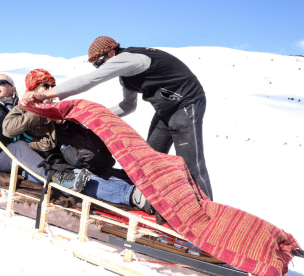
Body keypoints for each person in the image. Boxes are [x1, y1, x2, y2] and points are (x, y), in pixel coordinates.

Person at [20, 36, 213, 200]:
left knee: (191, 161)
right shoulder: (126, 75)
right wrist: (90, 117)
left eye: (99, 62)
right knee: (151, 158)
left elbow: (89, 80)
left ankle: (208, 212)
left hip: (187, 102)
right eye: (95, 65)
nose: (99, 68)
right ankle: (159, 204)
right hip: (165, 109)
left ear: (112, 53)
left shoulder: (128, 59)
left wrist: (45, 95)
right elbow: (128, 106)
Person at [4, 69, 155, 214]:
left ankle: (150, 188)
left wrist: (66, 121)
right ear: (33, 88)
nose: (49, 90)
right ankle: (133, 196)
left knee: (105, 172)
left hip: (70, 155)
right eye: (45, 86)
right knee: (86, 180)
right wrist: (40, 111)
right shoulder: (22, 108)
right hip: (46, 160)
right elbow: (8, 129)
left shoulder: (57, 107)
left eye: (52, 86)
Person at [0, 73, 90, 193]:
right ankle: (57, 179)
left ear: (13, 89)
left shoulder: (19, 105)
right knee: (18, 147)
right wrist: (40, 113)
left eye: (1, 83)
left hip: (24, 153)